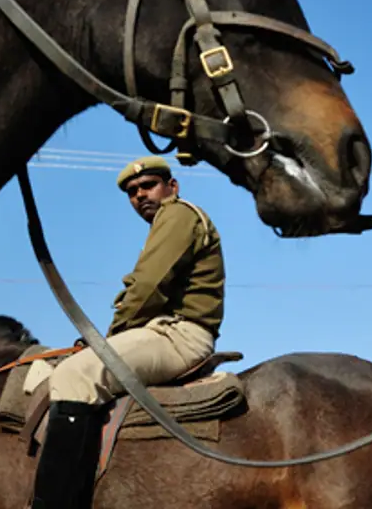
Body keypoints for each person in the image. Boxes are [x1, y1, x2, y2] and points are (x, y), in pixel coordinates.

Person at [29, 155, 225, 508]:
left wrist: (105, 340)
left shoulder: (177, 215)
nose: (140, 195)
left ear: (172, 186)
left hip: (178, 335)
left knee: (74, 376)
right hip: (162, 331)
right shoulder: (168, 221)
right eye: (132, 192)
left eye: (148, 186)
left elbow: (147, 288)